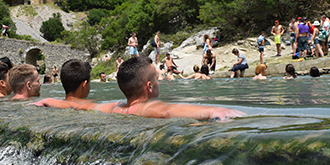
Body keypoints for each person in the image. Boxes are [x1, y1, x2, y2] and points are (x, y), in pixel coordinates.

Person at [100, 56, 244, 121]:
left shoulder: (116, 108)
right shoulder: (139, 108)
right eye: (156, 78)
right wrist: (214, 110)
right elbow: (166, 111)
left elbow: (86, 105)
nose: (159, 83)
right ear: (149, 86)